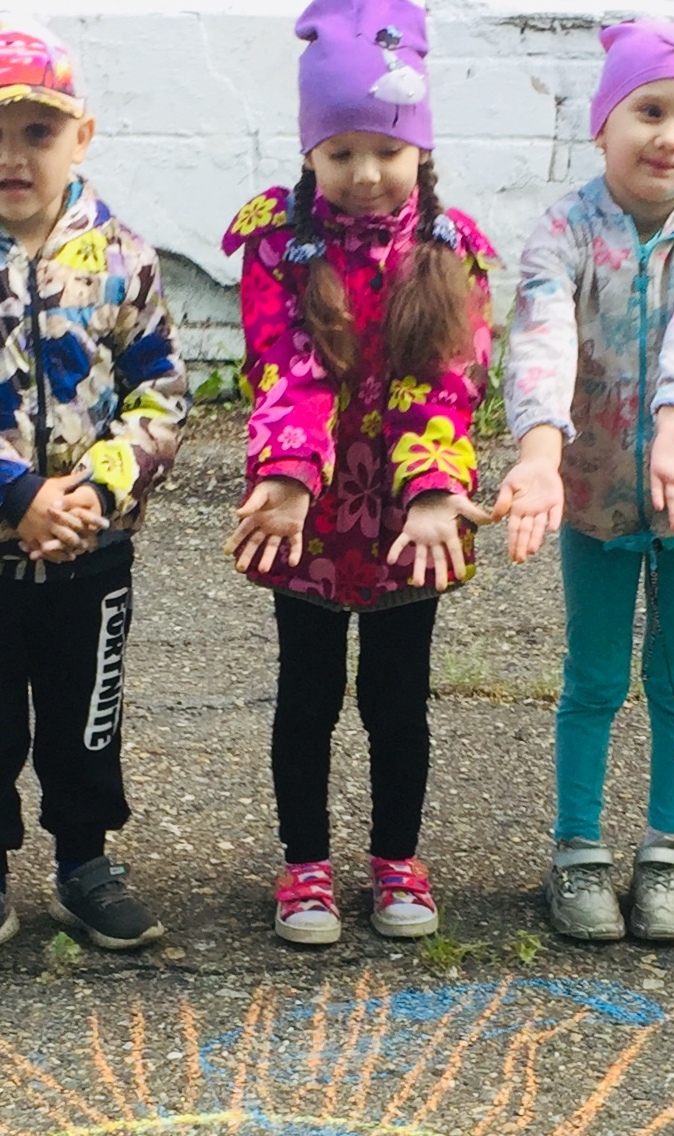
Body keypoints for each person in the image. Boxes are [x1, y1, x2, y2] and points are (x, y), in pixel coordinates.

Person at [0, 16, 190, 976]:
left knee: (84, 716)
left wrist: (96, 488)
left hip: (93, 550)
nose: (12, 154)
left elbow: (162, 394)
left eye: (38, 132)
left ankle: (86, 862)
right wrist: (16, 496)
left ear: (82, 138)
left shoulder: (123, 256)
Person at [223, 0, 500, 947]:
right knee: (305, 691)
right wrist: (290, 475)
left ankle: (395, 859)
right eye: (340, 152)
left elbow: (450, 381)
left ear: (420, 148)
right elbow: (285, 361)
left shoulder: (452, 246)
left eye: (386, 150)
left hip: (413, 520)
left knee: (396, 696)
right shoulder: (278, 243)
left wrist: (431, 493)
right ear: (310, 155)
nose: (366, 174)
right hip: (303, 513)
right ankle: (303, 865)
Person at [494, 18, 674, 945]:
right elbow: (541, 334)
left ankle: (667, 852)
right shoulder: (565, 229)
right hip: (592, 495)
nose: (669, 137)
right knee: (595, 677)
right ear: (604, 121)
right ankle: (577, 853)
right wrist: (536, 450)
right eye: (649, 110)